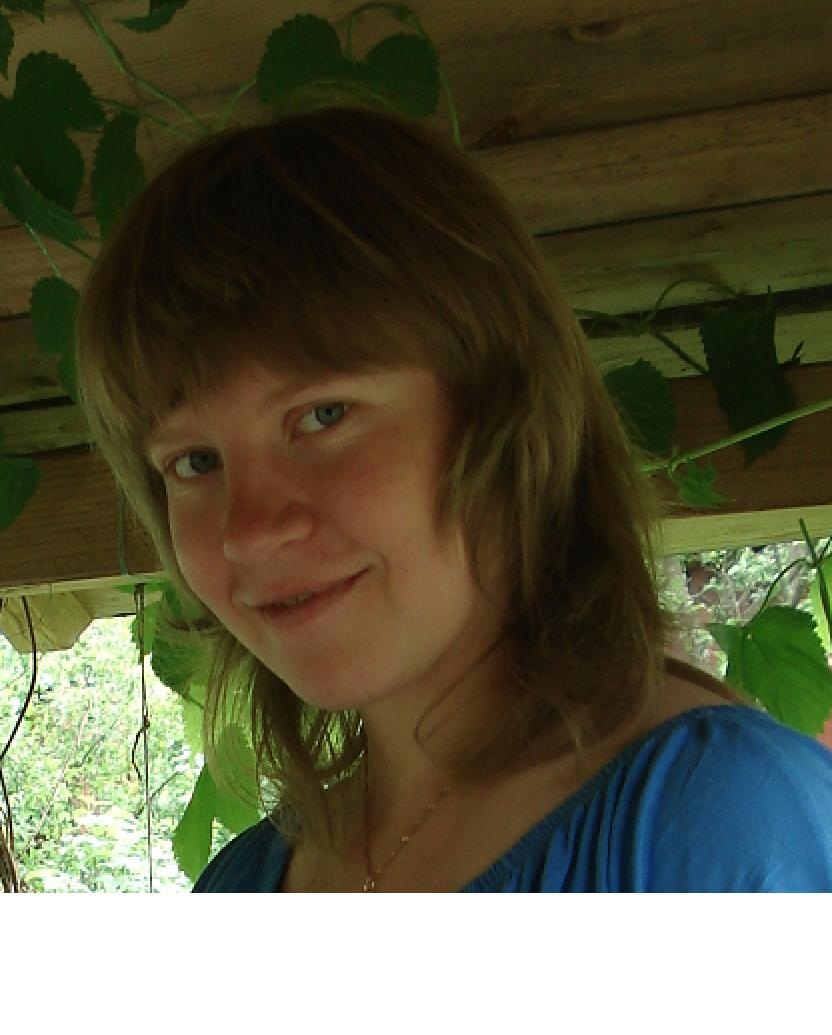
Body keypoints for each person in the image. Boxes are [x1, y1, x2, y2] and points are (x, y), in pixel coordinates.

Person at [73, 101, 832, 892]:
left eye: (323, 416)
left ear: (503, 408)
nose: (250, 531)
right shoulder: (237, 884)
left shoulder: (722, 825)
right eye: (194, 462)